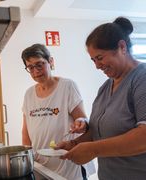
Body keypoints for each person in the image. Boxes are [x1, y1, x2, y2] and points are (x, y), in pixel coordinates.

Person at [57, 17, 146, 180]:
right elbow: (98, 130)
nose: (97, 65)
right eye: (93, 60)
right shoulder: (105, 88)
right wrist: (75, 144)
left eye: (100, 57)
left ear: (122, 47)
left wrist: (93, 150)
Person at [21, 43, 95, 179]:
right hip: (41, 166)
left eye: (39, 64)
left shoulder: (67, 86)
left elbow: (84, 122)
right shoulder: (29, 94)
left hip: (68, 165)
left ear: (50, 61)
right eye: (30, 67)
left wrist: (82, 122)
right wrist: (28, 160)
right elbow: (26, 133)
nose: (36, 71)